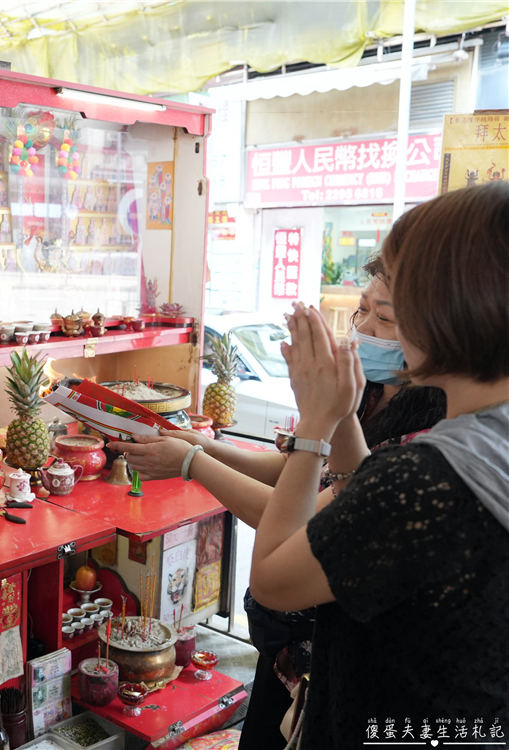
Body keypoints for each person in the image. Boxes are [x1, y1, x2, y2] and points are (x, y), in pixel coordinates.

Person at [111, 254, 446, 749]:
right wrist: (198, 446)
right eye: (362, 312)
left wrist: (193, 463)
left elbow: (295, 529)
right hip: (295, 648)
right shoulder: (372, 392)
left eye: (386, 318)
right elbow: (299, 470)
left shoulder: (426, 444)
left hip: (340, 658)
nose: (365, 330)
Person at [249, 182, 508, 746]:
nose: (369, 324)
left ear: (450, 308)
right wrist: (342, 412)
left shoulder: (426, 480)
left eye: (394, 302)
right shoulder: (486, 443)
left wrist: (315, 425)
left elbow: (271, 579)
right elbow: (369, 495)